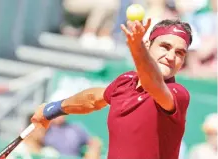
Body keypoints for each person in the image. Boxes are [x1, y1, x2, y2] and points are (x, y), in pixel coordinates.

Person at [32, 18, 193, 159]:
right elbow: (93, 99)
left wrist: (138, 50)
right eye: (165, 47)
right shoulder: (125, 81)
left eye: (180, 53)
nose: (172, 57)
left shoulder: (178, 94)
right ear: (148, 45)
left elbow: (153, 83)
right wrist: (54, 109)